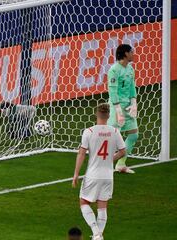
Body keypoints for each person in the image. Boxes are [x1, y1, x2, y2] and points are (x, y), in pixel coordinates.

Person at [72, 103, 126, 240]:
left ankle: (96, 233)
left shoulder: (89, 132)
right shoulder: (115, 132)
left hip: (93, 175)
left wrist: (76, 174)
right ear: (108, 116)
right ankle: (99, 236)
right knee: (102, 206)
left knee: (84, 202)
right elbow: (123, 152)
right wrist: (110, 160)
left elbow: (81, 154)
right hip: (108, 176)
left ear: (96, 114)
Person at [107, 43, 138, 174]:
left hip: (128, 106)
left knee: (134, 135)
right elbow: (112, 91)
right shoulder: (114, 70)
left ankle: (120, 164)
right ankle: (103, 163)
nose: (133, 53)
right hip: (116, 107)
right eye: (131, 51)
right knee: (113, 138)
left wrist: (134, 102)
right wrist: (118, 111)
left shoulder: (130, 69)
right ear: (125, 54)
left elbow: (132, 86)